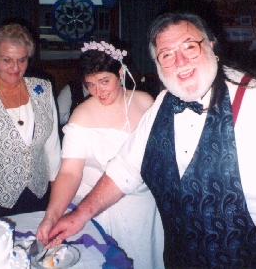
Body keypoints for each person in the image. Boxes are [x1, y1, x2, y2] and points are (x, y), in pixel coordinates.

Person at [38, 13, 256, 269]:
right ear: (157, 63)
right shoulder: (162, 105)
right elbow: (125, 169)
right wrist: (79, 215)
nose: (180, 61)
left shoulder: (255, 101)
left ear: (211, 45)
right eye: (166, 54)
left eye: (189, 46)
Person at [36, 41, 165, 269]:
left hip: (144, 210)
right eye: (91, 84)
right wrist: (51, 215)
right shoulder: (82, 115)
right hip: (100, 210)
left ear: (121, 72)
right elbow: (69, 173)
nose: (98, 91)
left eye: (105, 81)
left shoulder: (146, 102)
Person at [0, 23, 61, 218]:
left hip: (38, 196)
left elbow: (53, 148)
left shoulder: (43, 88)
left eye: (22, 60)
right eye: (7, 60)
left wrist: (57, 201)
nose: (15, 68)